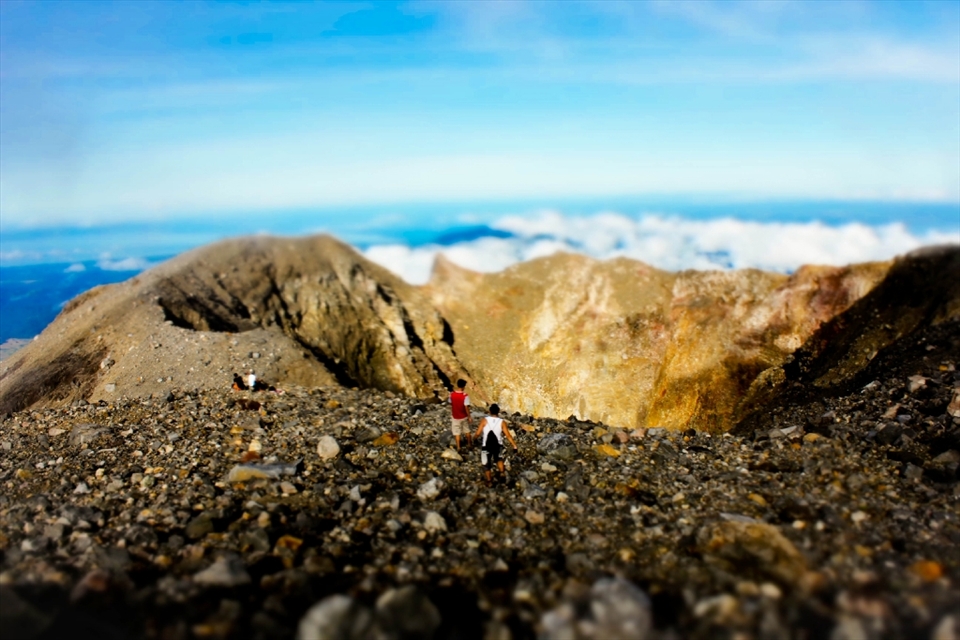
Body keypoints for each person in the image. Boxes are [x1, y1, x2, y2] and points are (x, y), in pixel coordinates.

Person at [474, 404, 517, 484]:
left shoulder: (484, 420)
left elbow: (478, 433)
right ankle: (502, 472)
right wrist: (514, 445)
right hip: (498, 445)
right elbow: (508, 435)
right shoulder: (502, 422)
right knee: (499, 459)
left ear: (490, 411)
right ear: (498, 412)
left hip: (486, 445)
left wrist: (474, 439)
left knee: (486, 463)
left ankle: (489, 481)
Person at [449, 379, 472, 451]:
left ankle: (459, 447)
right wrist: (469, 416)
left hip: (455, 416)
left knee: (457, 432)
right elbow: (466, 407)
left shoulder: (452, 394)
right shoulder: (465, 396)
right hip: (464, 416)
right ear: (464, 386)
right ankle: (469, 444)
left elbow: (450, 403)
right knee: (467, 430)